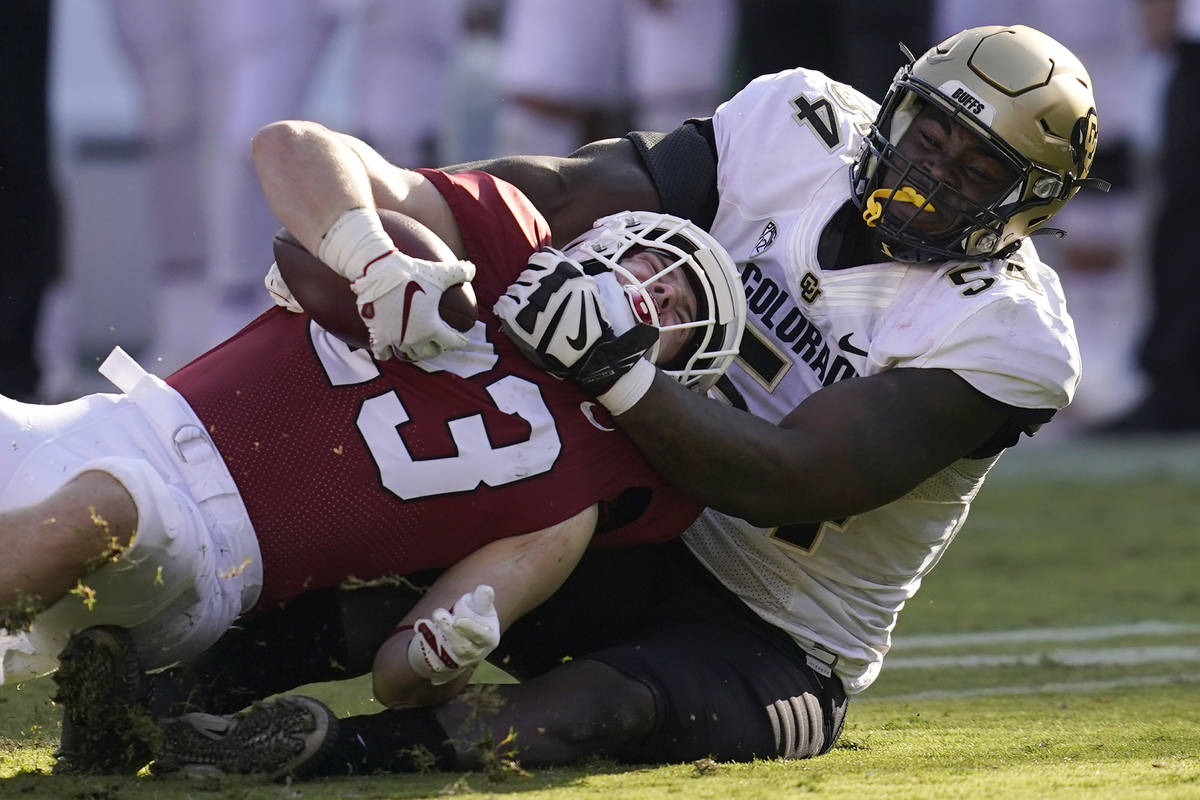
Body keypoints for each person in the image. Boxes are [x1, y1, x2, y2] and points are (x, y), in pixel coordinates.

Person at [65, 24, 1107, 778]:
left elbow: (794, 473)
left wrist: (618, 369)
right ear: (901, 104)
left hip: (776, 627)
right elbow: (557, 197)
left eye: (978, 172)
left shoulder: (1008, 334)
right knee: (419, 567)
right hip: (630, 508)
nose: (934, 174)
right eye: (931, 134)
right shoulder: (799, 124)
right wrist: (408, 234)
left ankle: (319, 755)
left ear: (1030, 208)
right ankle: (168, 696)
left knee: (579, 713)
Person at [0, 123, 746, 772]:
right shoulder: (498, 244)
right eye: (655, 265)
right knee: (91, 483)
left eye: (679, 311)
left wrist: (441, 654)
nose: (651, 293)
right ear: (614, 237)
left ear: (674, 371)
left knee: (107, 505)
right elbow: (288, 145)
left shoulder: (580, 489)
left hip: (206, 545)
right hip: (110, 422)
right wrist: (369, 256)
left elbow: (398, 680)